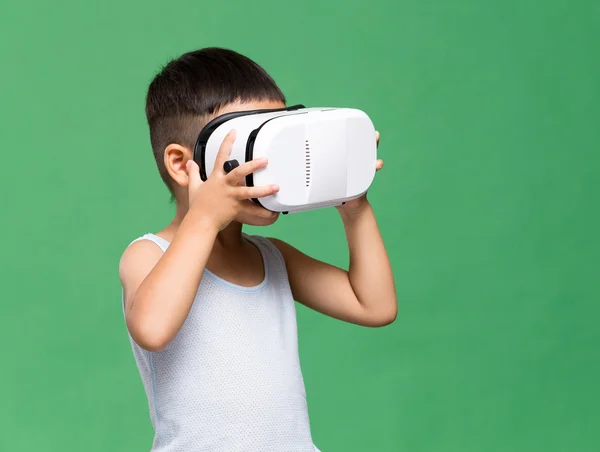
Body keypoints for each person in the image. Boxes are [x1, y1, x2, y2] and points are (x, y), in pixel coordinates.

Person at [119, 47, 397, 452]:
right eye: (252, 148)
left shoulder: (274, 258)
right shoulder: (149, 254)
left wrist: (355, 205)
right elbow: (153, 329)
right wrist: (205, 217)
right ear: (182, 165)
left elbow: (374, 306)